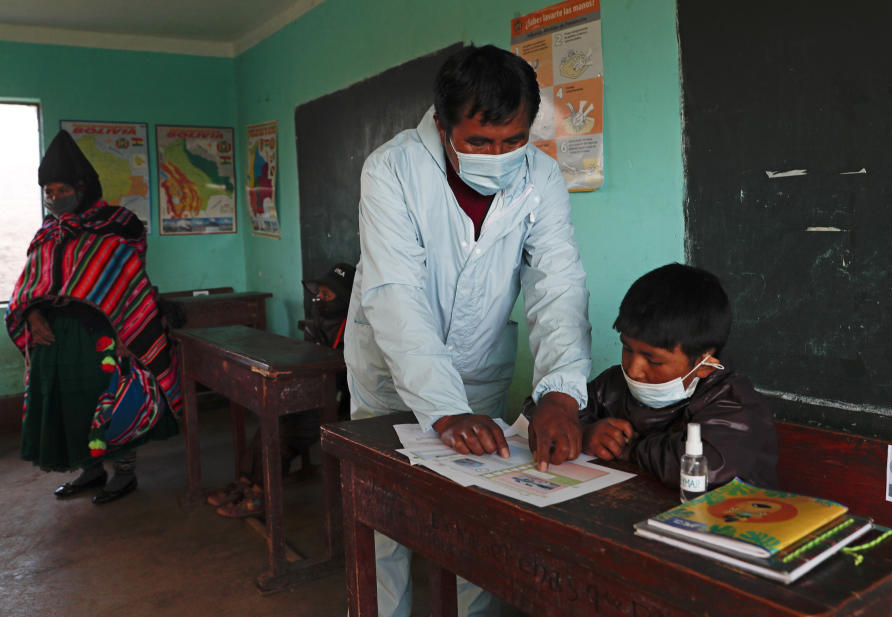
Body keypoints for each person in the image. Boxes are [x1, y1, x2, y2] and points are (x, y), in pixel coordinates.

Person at [343, 45, 592, 617]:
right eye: (479, 142)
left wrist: (560, 389)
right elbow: (395, 297)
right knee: (389, 518)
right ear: (441, 124)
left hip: (480, 368)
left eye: (514, 141)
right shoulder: (392, 169)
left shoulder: (542, 177)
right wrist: (443, 409)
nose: (499, 158)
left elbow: (557, 283)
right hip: (391, 375)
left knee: (477, 515)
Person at [5, 130, 182, 505]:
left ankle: (125, 473)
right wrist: (33, 314)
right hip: (56, 337)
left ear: (83, 186)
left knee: (111, 400)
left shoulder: (120, 224)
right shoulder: (47, 233)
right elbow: (31, 284)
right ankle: (90, 470)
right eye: (48, 192)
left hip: (106, 332)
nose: (54, 198)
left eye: (62, 189)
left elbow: (130, 281)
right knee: (73, 403)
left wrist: (127, 332)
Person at [579, 263, 778, 490]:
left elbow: (707, 467)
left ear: (704, 364)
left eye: (653, 360)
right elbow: (553, 409)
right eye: (627, 349)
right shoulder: (613, 385)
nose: (633, 369)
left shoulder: (736, 404)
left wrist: (629, 447)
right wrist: (583, 433)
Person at [208, 262, 355, 517]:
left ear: (344, 297)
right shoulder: (320, 322)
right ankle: (247, 481)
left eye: (327, 295)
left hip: (337, 404)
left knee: (281, 437)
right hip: (312, 393)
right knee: (269, 424)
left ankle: (261, 493)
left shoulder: (355, 329)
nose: (320, 298)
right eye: (319, 293)